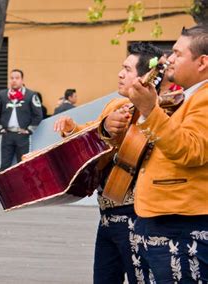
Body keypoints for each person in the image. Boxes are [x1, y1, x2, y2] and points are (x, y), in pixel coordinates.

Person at [54, 42, 164, 283]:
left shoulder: (159, 111)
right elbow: (92, 132)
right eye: (121, 67)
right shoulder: (115, 105)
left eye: (127, 69)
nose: (120, 73)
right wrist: (73, 129)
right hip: (106, 212)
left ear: (146, 76)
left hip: (136, 215)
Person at [125, 25, 208, 282]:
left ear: (202, 62)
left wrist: (151, 111)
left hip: (181, 224)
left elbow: (191, 149)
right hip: (160, 219)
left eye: (177, 53)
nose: (168, 59)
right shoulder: (184, 97)